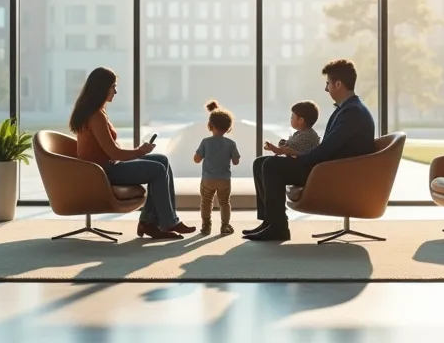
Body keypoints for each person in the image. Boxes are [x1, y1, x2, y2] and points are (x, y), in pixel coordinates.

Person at [245, 59, 376, 242]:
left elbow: (326, 150)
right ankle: (270, 222)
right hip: (332, 167)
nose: (326, 89)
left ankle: (278, 227)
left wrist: (299, 158)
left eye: (328, 84)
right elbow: (328, 148)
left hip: (334, 172)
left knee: (271, 166)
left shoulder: (351, 113)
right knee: (260, 163)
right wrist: (297, 155)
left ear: (338, 84)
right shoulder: (349, 109)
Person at [69, 67, 195, 240]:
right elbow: (115, 153)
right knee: (157, 170)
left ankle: (149, 223)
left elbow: (111, 151)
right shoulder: (96, 116)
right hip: (102, 172)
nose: (116, 91)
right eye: (113, 86)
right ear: (102, 88)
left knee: (162, 160)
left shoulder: (96, 112)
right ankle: (167, 222)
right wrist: (139, 151)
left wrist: (139, 152)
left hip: (108, 166)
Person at [194, 100, 242, 235]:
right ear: (228, 128)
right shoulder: (231, 143)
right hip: (224, 179)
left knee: (206, 202)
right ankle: (225, 225)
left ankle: (206, 225)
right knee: (224, 202)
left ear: (210, 125)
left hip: (208, 179)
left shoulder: (205, 142)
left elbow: (197, 159)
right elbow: (236, 161)